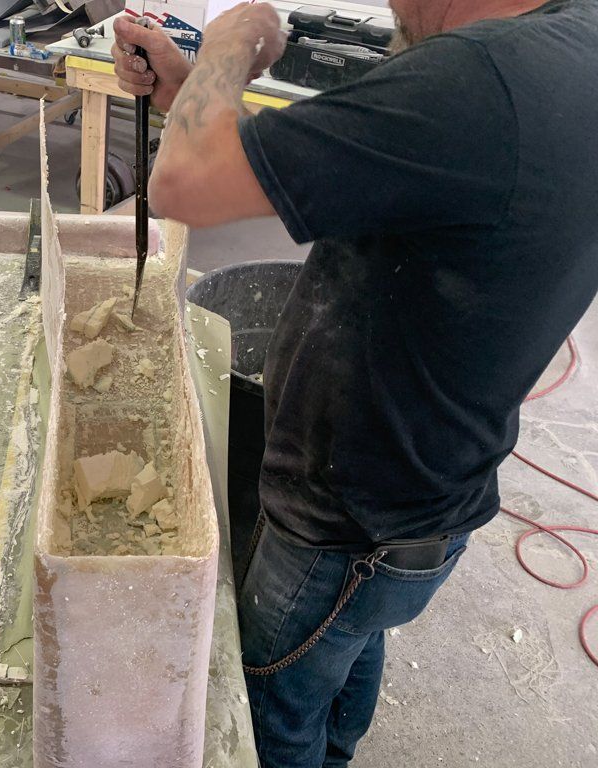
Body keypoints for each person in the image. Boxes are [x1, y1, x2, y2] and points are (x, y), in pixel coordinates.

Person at [113, 1, 598, 766]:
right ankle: (339, 749)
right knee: (349, 640)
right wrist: (191, 94)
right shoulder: (566, 48)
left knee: (276, 696)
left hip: (346, 515)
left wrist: (232, 44)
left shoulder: (475, 79)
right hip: (434, 495)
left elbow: (181, 185)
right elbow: (378, 155)